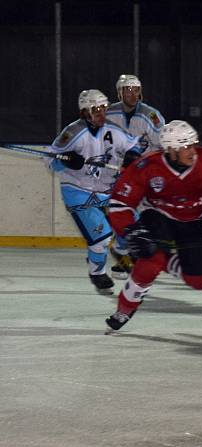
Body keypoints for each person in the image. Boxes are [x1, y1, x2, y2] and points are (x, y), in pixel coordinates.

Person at [104, 120, 202, 333]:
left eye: (192, 145)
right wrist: (132, 231)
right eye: (184, 147)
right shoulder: (146, 168)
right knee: (149, 262)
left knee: (201, 280)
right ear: (170, 150)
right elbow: (120, 204)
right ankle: (125, 308)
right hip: (159, 215)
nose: (191, 151)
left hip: (198, 218)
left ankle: (163, 259)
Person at [48, 89, 143, 294]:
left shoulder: (111, 129)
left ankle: (120, 251)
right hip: (78, 190)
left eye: (104, 108)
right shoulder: (72, 133)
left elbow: (134, 144)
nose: (102, 113)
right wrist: (66, 161)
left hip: (107, 190)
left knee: (132, 225)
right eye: (96, 109)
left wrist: (131, 157)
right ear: (85, 112)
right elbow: (50, 160)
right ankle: (97, 272)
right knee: (101, 238)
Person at [106, 74, 167, 279]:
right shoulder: (109, 112)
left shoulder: (150, 115)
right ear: (120, 92)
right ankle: (127, 253)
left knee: (139, 213)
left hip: (141, 172)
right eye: (127, 90)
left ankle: (130, 253)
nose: (132, 93)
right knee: (121, 211)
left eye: (135, 89)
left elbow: (163, 142)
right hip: (115, 171)